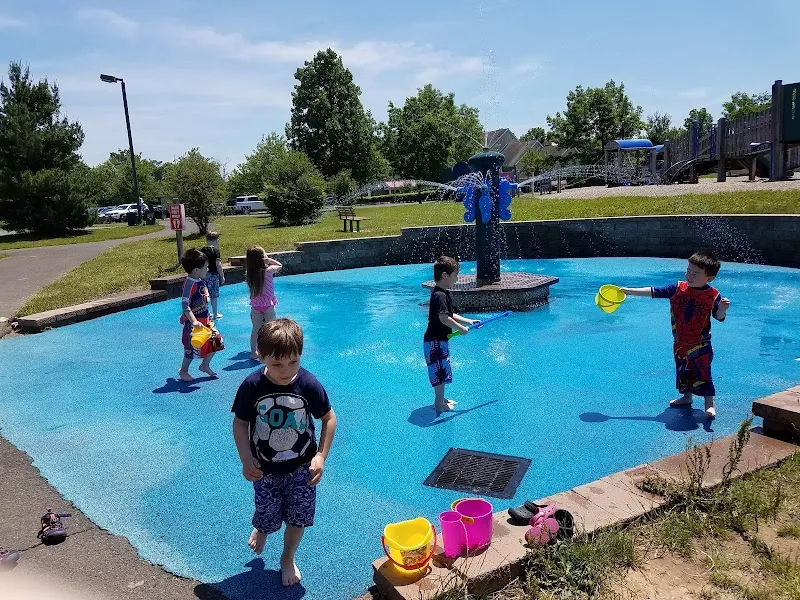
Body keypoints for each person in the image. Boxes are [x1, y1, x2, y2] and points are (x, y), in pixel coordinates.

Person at [231, 318, 337, 587]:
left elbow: (329, 418)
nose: (286, 371)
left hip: (302, 468)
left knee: (298, 517)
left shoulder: (308, 384)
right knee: (267, 513)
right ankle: (263, 528)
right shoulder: (252, 386)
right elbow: (240, 423)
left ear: (300, 355)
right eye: (277, 364)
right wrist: (246, 459)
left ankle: (287, 557)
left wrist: (321, 456)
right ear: (261, 356)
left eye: (294, 361)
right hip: (265, 469)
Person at [620, 251, 730, 419]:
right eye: (688, 271)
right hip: (680, 343)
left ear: (709, 278)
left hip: (701, 344)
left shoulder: (713, 295)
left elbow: (719, 317)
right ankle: (687, 397)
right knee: (683, 371)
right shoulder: (678, 289)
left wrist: (722, 308)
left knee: (703, 372)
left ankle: (709, 404)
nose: (689, 275)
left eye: (695, 273)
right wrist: (628, 291)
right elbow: (654, 291)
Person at [423, 256, 478, 415]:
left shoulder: (442, 293)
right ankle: (439, 404)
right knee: (439, 372)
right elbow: (444, 318)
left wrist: (468, 321)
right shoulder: (440, 295)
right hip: (435, 342)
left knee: (442, 370)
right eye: (455, 275)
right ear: (445, 275)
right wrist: (461, 329)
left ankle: (441, 398)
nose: (457, 278)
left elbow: (450, 314)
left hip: (438, 340)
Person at [178, 248, 218, 382]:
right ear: (196, 270)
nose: (208, 269)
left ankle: (204, 365)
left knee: (216, 342)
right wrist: (194, 321)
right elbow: (185, 305)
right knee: (190, 349)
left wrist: (209, 315)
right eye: (205, 267)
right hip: (194, 324)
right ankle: (183, 370)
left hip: (206, 320)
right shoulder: (189, 284)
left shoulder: (200, 279)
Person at [246, 246, 283, 360]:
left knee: (255, 330)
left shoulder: (249, 274)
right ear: (263, 258)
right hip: (268, 305)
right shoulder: (268, 271)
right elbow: (280, 266)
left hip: (256, 306)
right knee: (272, 329)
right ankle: (272, 351)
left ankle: (253, 353)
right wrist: (270, 260)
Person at [202, 231, 225, 320]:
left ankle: (206, 313)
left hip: (203, 274)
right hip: (213, 275)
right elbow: (218, 264)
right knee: (213, 295)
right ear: (216, 241)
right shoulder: (215, 251)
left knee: (205, 294)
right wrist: (222, 276)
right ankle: (215, 314)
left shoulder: (202, 250)